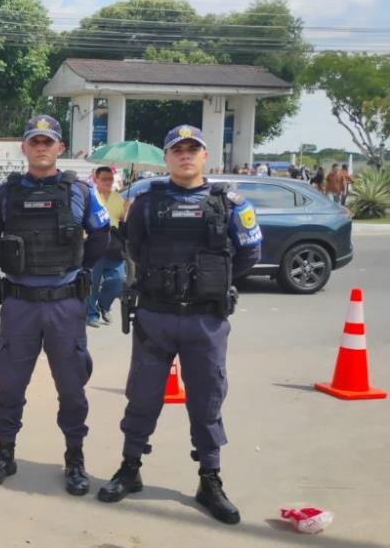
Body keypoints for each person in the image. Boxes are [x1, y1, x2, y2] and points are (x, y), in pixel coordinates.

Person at [98, 125, 262, 525]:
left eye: (193, 149)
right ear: (167, 158)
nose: (185, 156)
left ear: (205, 156)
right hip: (156, 316)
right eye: (177, 150)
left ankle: (210, 479)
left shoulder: (229, 202)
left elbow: (250, 253)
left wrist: (211, 283)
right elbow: (129, 246)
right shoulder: (146, 200)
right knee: (142, 396)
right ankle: (130, 468)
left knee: (206, 399)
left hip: (206, 318)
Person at [0, 115, 110, 495]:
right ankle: (5, 453)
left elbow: (101, 235)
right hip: (20, 304)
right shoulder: (5, 194)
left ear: (59, 148)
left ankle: (74, 458)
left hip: (65, 305)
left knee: (71, 387)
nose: (41, 147)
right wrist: (11, 266)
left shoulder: (81, 192)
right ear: (24, 148)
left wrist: (81, 269)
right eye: (34, 141)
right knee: (10, 385)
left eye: (47, 142)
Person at [86, 166, 126, 328]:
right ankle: (91, 314)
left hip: (114, 247)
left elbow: (123, 220)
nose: (108, 182)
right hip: (94, 246)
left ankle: (104, 305)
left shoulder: (118, 198)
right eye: (104, 179)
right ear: (95, 180)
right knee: (92, 283)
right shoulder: (90, 197)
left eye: (110, 179)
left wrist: (128, 210)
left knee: (118, 280)